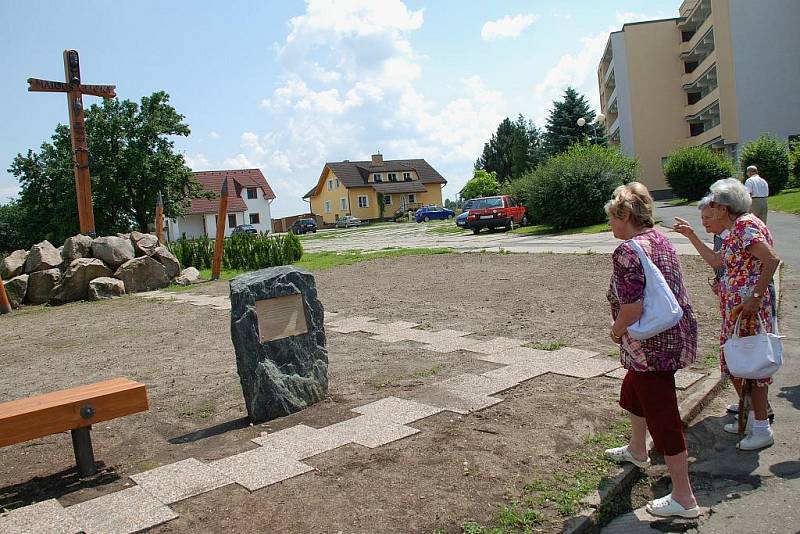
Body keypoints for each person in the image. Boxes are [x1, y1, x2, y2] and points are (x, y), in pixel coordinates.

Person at [603, 182, 700, 518]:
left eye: (612, 220)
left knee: (663, 416)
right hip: (673, 335)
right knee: (632, 391)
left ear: (626, 215)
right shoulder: (658, 238)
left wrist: (616, 332)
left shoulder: (627, 250)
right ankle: (636, 449)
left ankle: (684, 498)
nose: (610, 227)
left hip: (651, 346)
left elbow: (631, 308)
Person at [674, 178, 780, 450]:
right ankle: (751, 418)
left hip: (747, 311)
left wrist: (754, 298)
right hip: (738, 310)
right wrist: (692, 237)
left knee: (752, 365)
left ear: (724, 207)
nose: (712, 209)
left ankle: (761, 426)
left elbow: (771, 259)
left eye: (715, 206)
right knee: (741, 363)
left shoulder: (745, 226)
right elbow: (717, 261)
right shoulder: (738, 228)